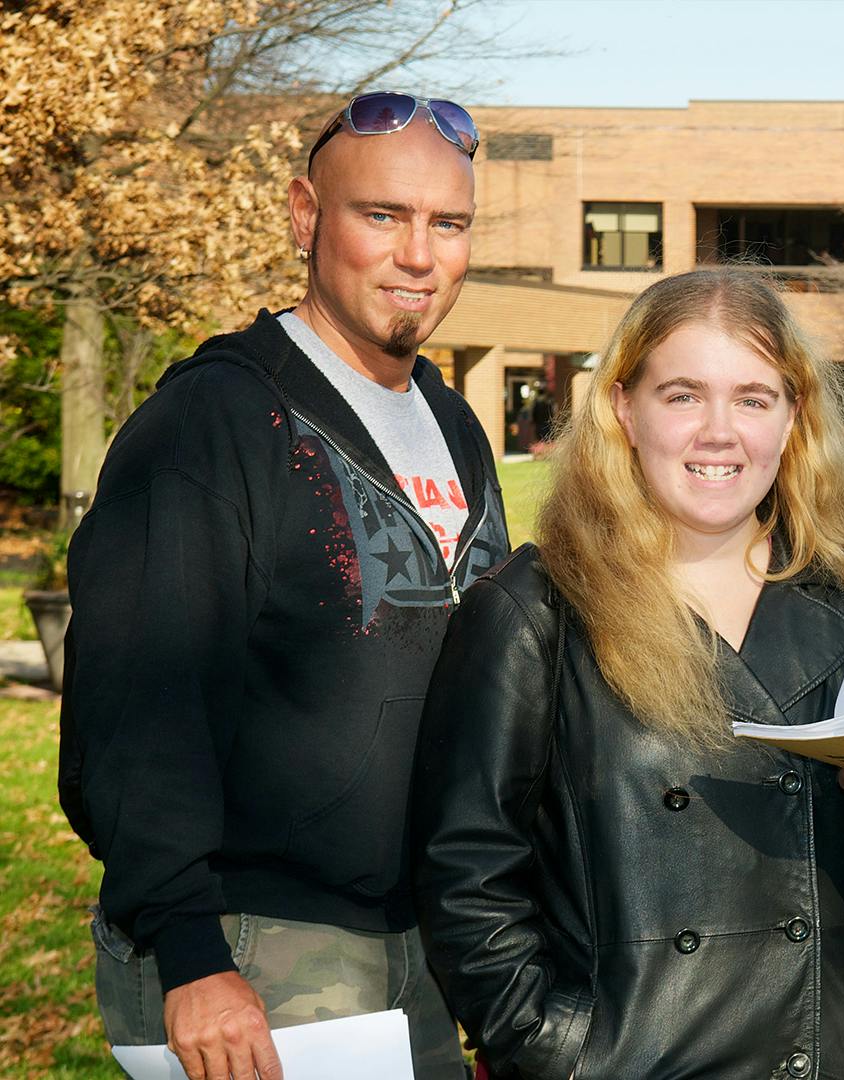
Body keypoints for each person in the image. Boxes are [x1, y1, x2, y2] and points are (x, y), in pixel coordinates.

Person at [409, 269, 844, 1079]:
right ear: (624, 409)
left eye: (752, 397)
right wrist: (552, 1046)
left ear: (793, 418)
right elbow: (466, 872)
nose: (719, 432)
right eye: (682, 395)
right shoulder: (535, 612)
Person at [57, 92, 507, 1080]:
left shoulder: (453, 423)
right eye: (382, 215)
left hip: (421, 943)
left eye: (449, 223)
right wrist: (189, 952)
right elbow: (138, 700)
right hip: (254, 949)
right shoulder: (214, 423)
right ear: (307, 217)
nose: (419, 255)